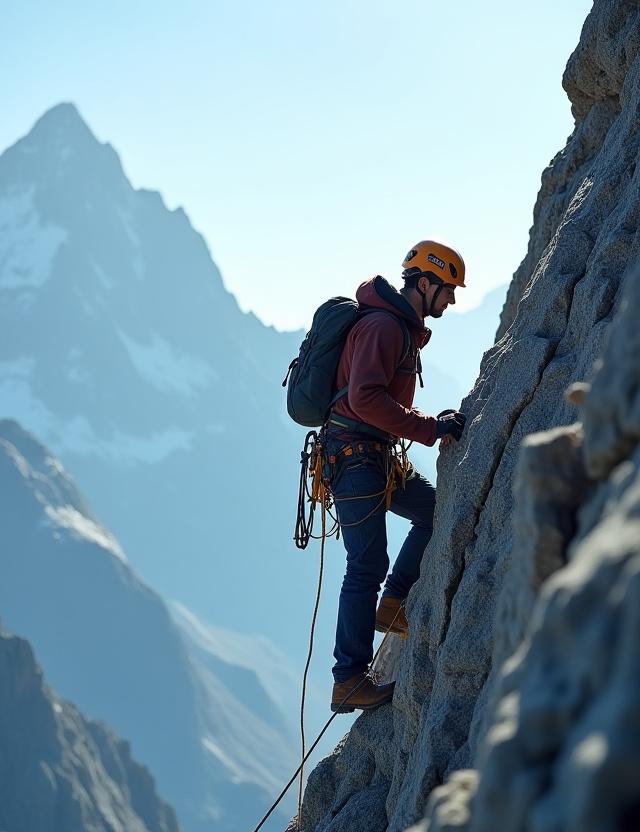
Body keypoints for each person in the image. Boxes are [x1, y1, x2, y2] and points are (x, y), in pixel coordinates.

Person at [323, 240, 467, 713]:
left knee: (432, 510)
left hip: (369, 456)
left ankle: (395, 604)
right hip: (356, 459)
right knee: (364, 565)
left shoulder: (396, 326)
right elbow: (365, 398)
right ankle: (347, 679)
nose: (450, 301)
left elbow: (375, 398)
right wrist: (429, 429)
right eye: (446, 291)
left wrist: (430, 422)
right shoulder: (385, 326)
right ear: (424, 284)